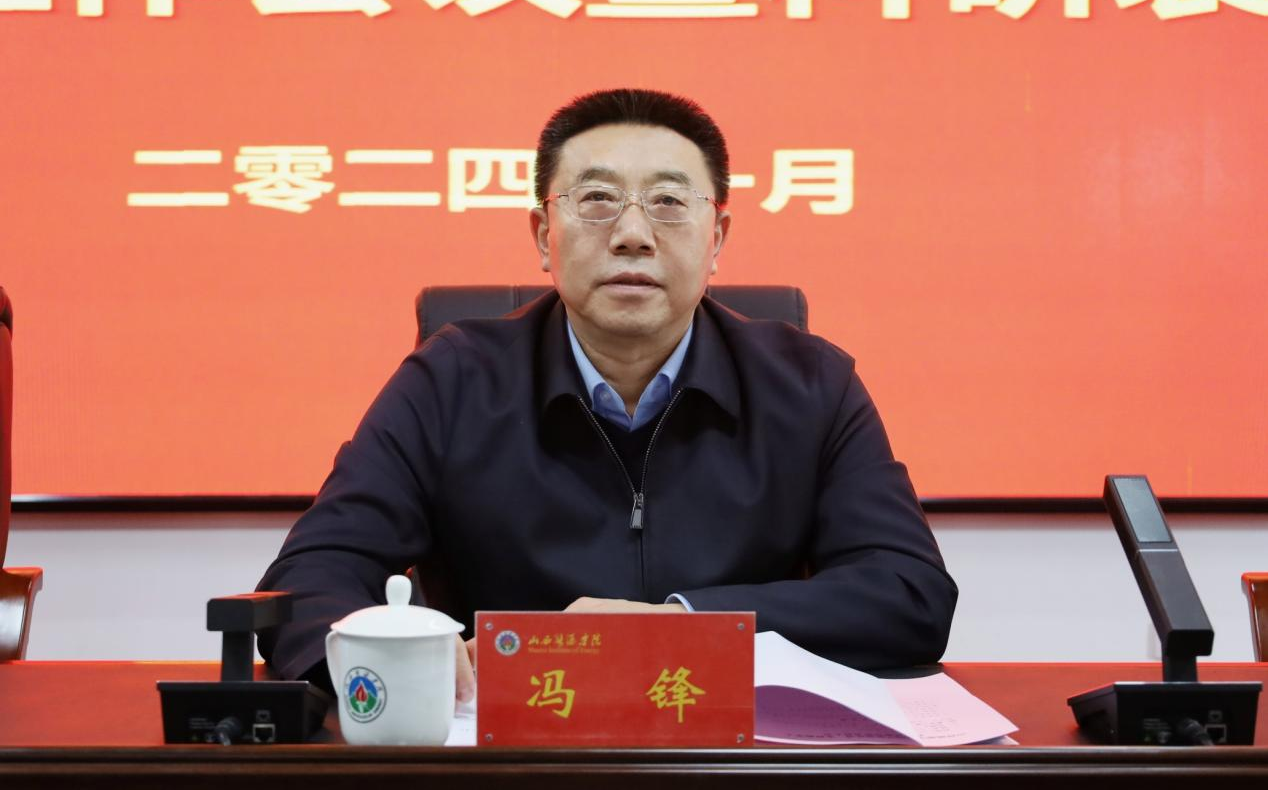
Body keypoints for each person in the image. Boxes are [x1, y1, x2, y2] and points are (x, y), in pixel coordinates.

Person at [256, 88, 957, 700]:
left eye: (669, 203)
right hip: (503, 762)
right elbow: (306, 581)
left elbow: (908, 591)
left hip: (729, 760)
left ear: (717, 238)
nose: (631, 235)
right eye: (596, 201)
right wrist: (395, 663)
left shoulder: (810, 384)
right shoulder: (453, 380)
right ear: (544, 235)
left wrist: (681, 626)